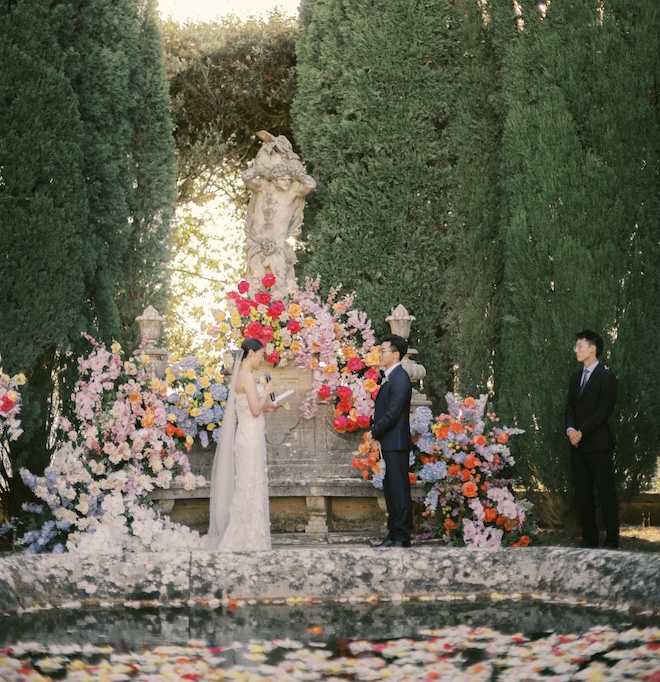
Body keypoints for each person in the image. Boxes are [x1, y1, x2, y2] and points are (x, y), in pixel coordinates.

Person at [206, 338, 279, 551]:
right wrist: (267, 391)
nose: (262, 359)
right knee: (250, 483)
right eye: (260, 354)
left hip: (247, 432)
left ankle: (249, 535)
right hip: (250, 435)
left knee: (249, 482)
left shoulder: (241, 376)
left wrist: (268, 408)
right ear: (250, 354)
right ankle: (246, 537)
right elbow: (255, 410)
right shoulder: (246, 377)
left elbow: (253, 408)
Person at [565, 330, 619, 549]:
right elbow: (569, 407)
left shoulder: (607, 377)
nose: (576, 350)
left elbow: (604, 411)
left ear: (592, 348)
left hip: (598, 446)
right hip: (576, 446)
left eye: (580, 346)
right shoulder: (575, 378)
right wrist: (570, 430)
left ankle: (612, 540)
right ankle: (589, 539)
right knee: (583, 495)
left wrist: (581, 431)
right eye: (576, 346)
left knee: (606, 493)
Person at [369, 334, 414, 548]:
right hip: (389, 442)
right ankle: (393, 533)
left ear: (396, 355)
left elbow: (394, 411)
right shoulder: (389, 377)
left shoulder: (400, 378)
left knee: (399, 489)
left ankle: (402, 536)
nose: (380, 354)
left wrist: (374, 432)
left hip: (396, 442)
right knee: (390, 490)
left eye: (383, 350)